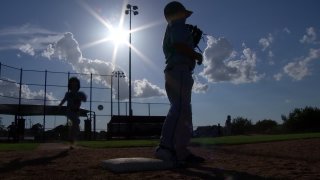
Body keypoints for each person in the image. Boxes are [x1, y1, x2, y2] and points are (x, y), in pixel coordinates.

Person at [155, 1, 204, 164]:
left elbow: (178, 45)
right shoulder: (177, 25)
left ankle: (179, 150)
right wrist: (196, 55)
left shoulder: (173, 27)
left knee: (182, 111)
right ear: (177, 13)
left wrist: (190, 48)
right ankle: (166, 148)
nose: (185, 16)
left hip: (176, 70)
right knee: (180, 108)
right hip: (179, 70)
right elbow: (178, 45)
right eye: (183, 13)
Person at [59, 77, 86, 149]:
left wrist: (82, 97)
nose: (74, 84)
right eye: (72, 83)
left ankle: (71, 140)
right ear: (70, 85)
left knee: (75, 126)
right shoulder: (68, 94)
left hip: (76, 112)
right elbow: (64, 100)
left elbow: (84, 99)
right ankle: (71, 138)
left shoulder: (80, 94)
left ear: (78, 85)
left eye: (75, 83)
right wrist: (60, 105)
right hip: (69, 111)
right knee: (76, 122)